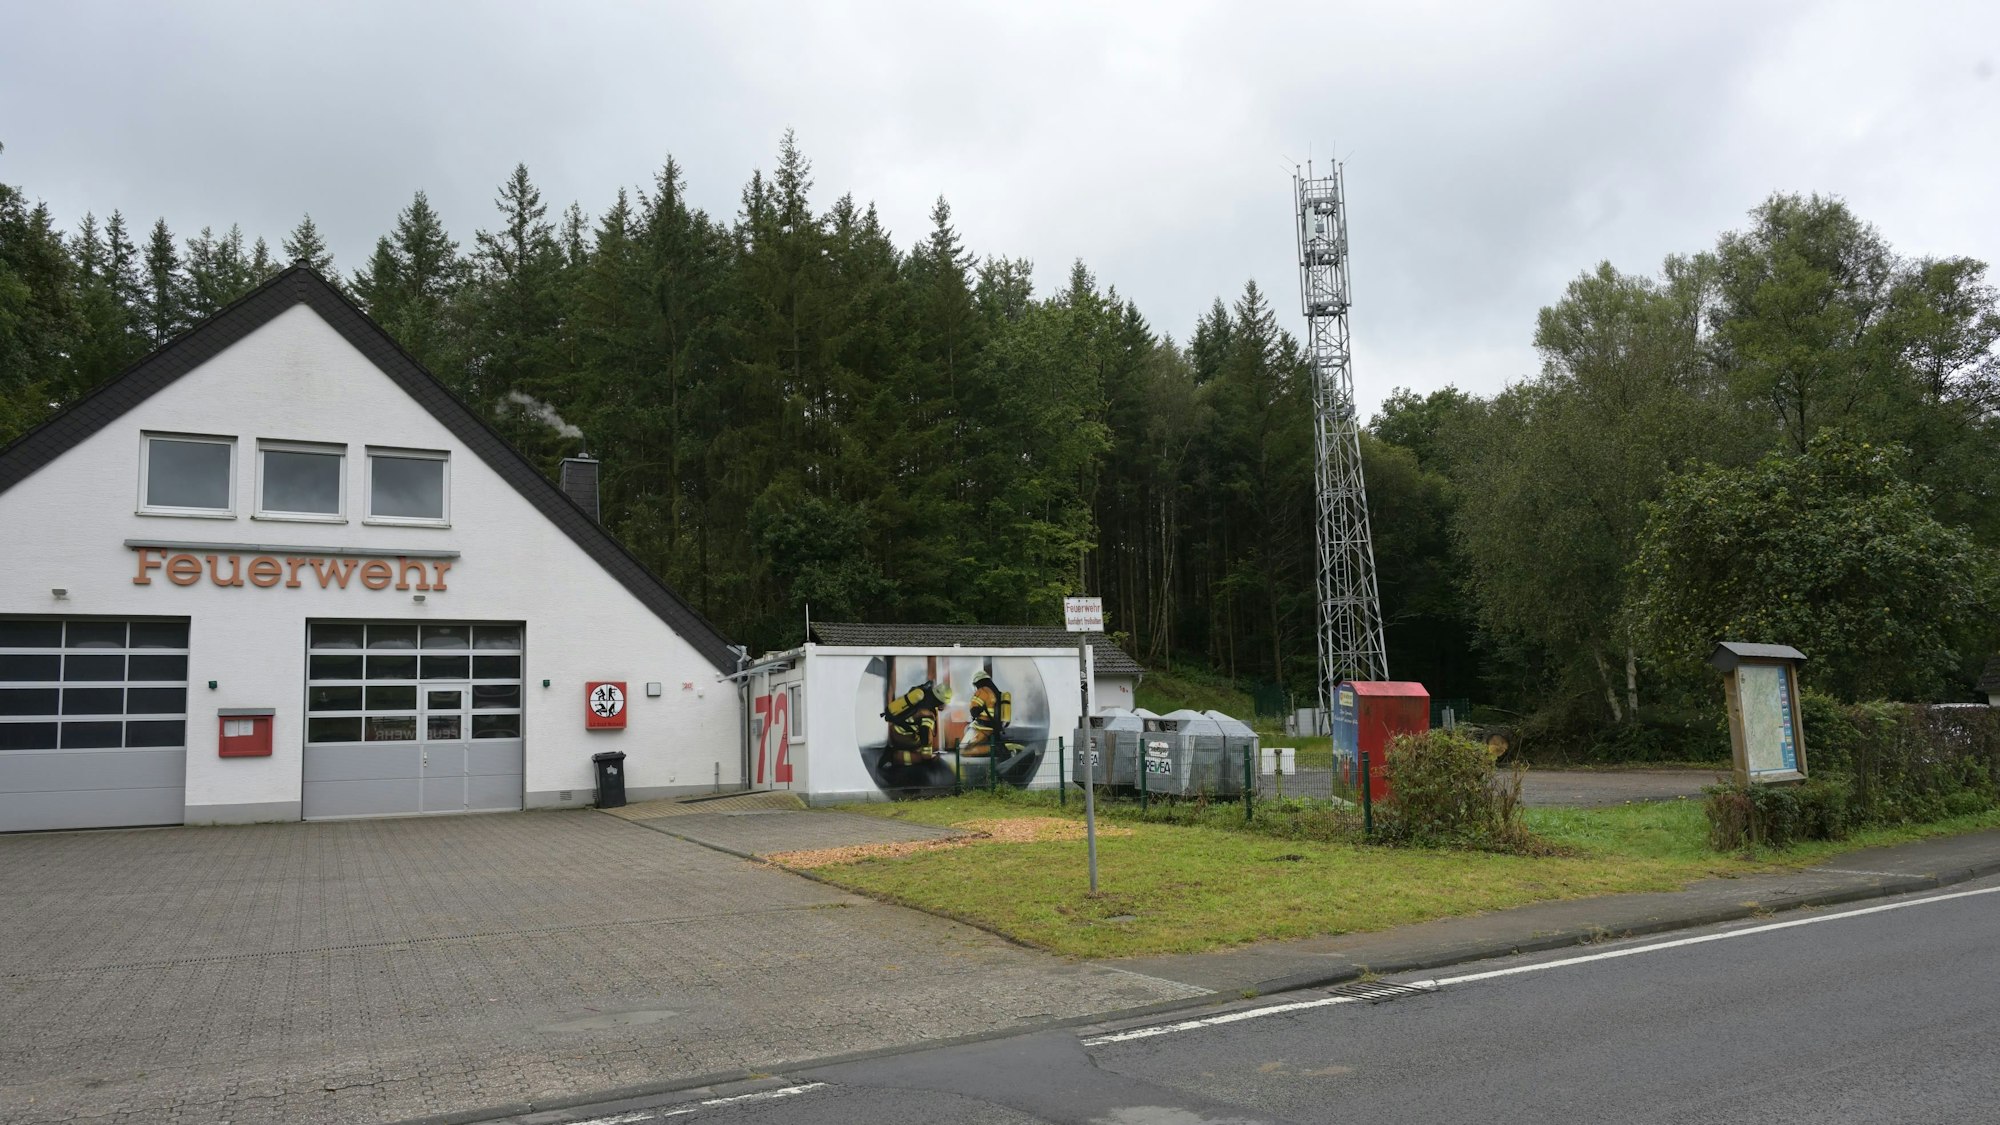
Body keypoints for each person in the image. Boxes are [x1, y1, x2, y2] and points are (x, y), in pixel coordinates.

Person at [958, 668, 1010, 759]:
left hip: (981, 728)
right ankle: (995, 748)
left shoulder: (982, 691)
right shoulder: (997, 693)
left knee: (963, 750)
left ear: (977, 683)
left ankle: (994, 749)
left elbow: (974, 712)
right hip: (993, 729)